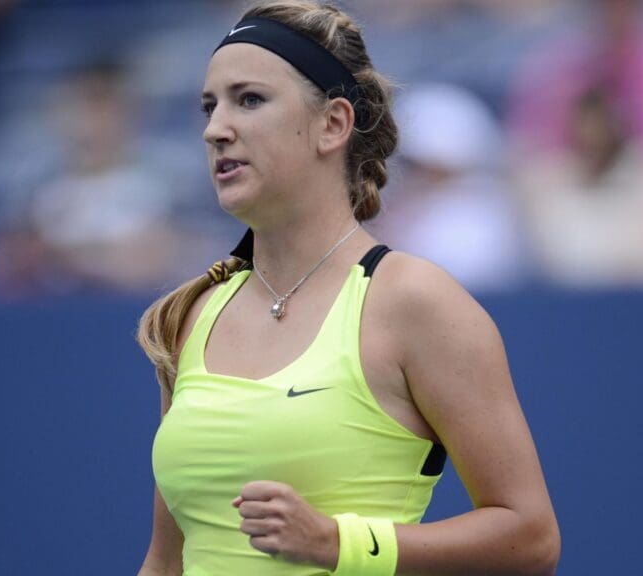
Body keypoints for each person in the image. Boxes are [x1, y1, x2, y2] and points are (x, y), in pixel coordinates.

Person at [137, 2, 559, 575]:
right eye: (210, 107)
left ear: (333, 124)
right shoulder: (193, 314)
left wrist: (340, 543)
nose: (216, 129)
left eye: (250, 99)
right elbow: (166, 562)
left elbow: (531, 539)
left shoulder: (414, 302)